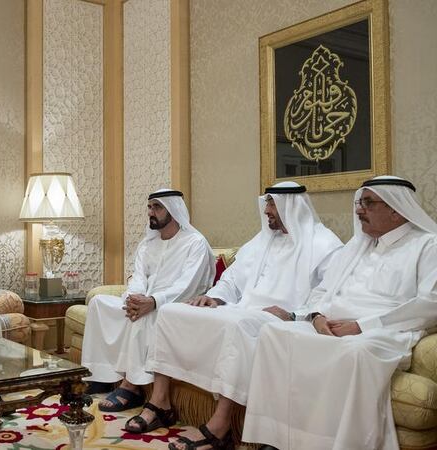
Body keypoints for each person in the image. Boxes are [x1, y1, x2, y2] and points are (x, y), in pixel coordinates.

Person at [127, 181, 343, 447]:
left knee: (238, 326)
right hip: (241, 309)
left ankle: (221, 424)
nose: (267, 211)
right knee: (172, 312)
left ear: (291, 205)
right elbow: (232, 278)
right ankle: (160, 402)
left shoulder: (324, 243)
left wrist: (295, 314)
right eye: (267, 204)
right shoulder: (263, 240)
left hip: (283, 318)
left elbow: (329, 292)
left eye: (272, 204)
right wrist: (215, 296)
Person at [242, 176, 437, 450]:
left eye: (368, 203)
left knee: (354, 352)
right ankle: (278, 439)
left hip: (382, 332)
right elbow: (321, 292)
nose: (358, 210)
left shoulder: (428, 245)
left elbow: (431, 304)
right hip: (330, 325)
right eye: (359, 202)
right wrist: (317, 317)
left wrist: (362, 326)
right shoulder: (358, 246)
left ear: (395, 208)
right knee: (273, 333)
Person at [81, 188, 215, 412]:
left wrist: (153, 301)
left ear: (173, 210)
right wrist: (133, 298)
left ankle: (131, 386)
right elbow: (139, 277)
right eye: (150, 207)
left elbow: (188, 285)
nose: (151, 212)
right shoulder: (148, 243)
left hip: (178, 304)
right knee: (99, 303)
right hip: (146, 301)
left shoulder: (195, 242)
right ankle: (100, 375)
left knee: (146, 316)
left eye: (157, 207)